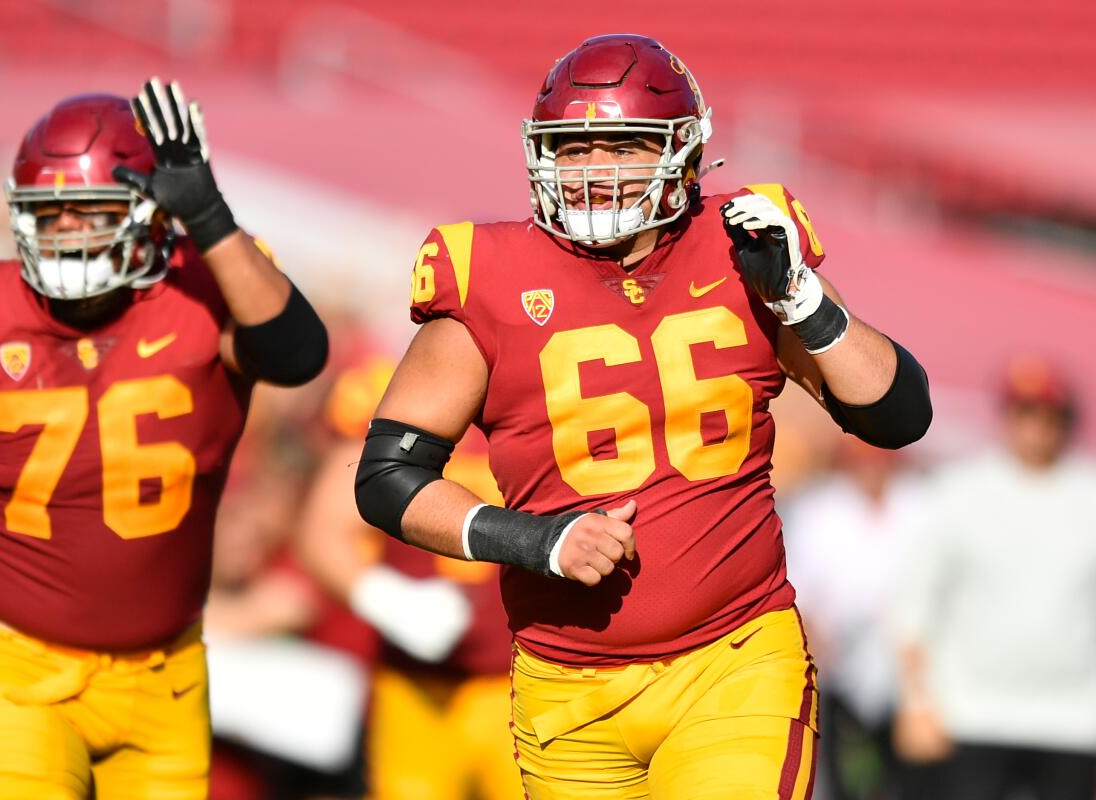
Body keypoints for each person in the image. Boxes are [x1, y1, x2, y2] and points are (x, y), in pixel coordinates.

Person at [353, 33, 932, 799]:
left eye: (620, 146)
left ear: (682, 154)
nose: (593, 171)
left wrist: (804, 300)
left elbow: (898, 415)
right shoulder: (488, 275)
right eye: (573, 148)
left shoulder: (743, 248)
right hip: (567, 687)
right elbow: (389, 477)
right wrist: (532, 539)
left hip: (734, 659)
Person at [0, 79, 328, 798]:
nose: (69, 231)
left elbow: (298, 354)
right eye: (48, 213)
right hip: (12, 666)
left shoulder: (207, 286)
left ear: (153, 215)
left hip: (164, 673)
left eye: (91, 210)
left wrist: (211, 219)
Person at [298, 355, 523, 800]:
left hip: (532, 677)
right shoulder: (387, 388)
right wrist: (390, 600)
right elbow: (324, 530)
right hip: (415, 687)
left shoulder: (547, 374)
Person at [894, 356, 1096, 800]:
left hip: (1076, 721)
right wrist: (915, 702)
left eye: (1048, 414)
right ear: (1007, 417)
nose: (1036, 426)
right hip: (971, 713)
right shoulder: (959, 491)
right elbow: (914, 602)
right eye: (1025, 412)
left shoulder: (1089, 494)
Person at [783, 440, 927, 799]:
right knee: (847, 776)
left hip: (912, 672)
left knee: (910, 780)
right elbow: (801, 587)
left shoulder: (921, 504)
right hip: (841, 669)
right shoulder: (819, 509)